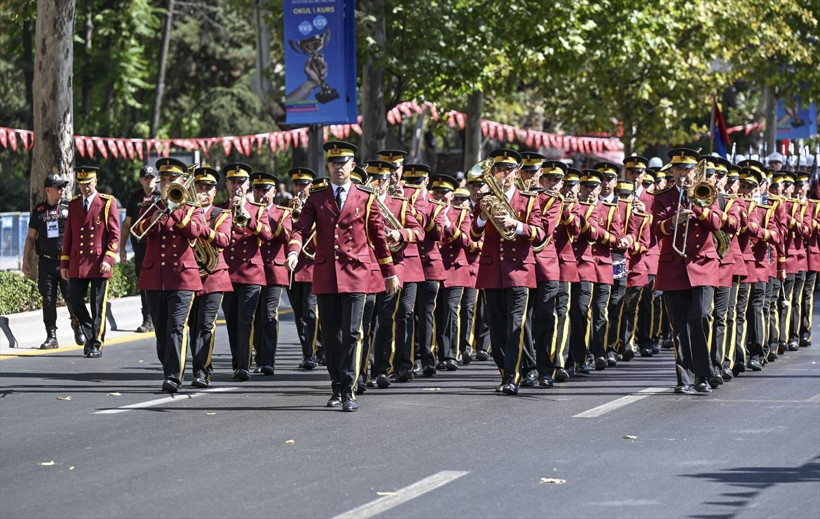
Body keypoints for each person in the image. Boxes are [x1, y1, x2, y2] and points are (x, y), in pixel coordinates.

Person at [286, 141, 400, 412]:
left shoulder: (366, 196)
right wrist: (293, 251)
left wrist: (389, 273)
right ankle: (336, 386)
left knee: (351, 333)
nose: (339, 167)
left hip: (356, 273)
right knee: (332, 336)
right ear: (328, 166)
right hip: (326, 274)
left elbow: (379, 238)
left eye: (344, 163)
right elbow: (301, 229)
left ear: (352, 166)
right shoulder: (317, 197)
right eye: (334, 163)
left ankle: (349, 388)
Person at [653, 148, 727, 393]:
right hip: (674, 265)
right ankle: (685, 377)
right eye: (679, 169)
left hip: (703, 264)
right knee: (680, 324)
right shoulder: (662, 196)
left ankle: (703, 375)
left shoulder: (707, 192)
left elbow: (717, 223)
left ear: (696, 170)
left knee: (700, 317)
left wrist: (696, 206)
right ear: (672, 171)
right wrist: (673, 221)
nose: (683, 174)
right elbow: (655, 229)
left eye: (688, 169)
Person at [470, 148, 544, 395]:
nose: (503, 175)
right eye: (498, 170)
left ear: (516, 173)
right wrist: (481, 215)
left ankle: (513, 376)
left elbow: (540, 233)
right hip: (493, 271)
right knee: (498, 328)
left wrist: (517, 225)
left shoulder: (529, 200)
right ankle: (505, 371)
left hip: (520, 270)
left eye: (508, 170)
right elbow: (474, 233)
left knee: (516, 325)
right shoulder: (486, 198)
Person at [134, 158, 208, 393]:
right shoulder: (151, 206)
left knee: (177, 327)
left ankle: (174, 377)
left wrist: (175, 211)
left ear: (182, 182)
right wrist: (159, 209)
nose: (166, 183)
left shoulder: (192, 209)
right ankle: (169, 369)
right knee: (161, 330)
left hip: (182, 279)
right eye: (163, 179)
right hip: (155, 278)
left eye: (171, 179)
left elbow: (196, 232)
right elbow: (138, 231)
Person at [217, 163, 273, 381]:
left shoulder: (257, 210)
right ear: (227, 185)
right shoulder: (219, 209)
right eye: (233, 182)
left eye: (241, 183)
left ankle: (244, 365)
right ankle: (237, 361)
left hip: (251, 273)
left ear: (248, 184)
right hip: (226, 273)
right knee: (231, 320)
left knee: (246, 319)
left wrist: (247, 217)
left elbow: (268, 235)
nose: (237, 187)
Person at [60, 165, 121, 358]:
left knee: (97, 305)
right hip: (78, 262)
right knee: (75, 299)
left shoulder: (107, 202)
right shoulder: (73, 204)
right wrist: (64, 263)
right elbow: (68, 236)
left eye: (88, 183)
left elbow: (115, 235)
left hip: (98, 262)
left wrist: (109, 258)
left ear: (96, 182)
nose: (85, 187)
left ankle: (96, 343)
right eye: (82, 184)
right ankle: (89, 335)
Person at [23, 174, 84, 349]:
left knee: (72, 297)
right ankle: (51, 335)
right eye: (58, 187)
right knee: (48, 299)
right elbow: (30, 237)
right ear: (48, 190)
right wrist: (25, 259)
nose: (62, 190)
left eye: (63, 187)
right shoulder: (39, 211)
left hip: (66, 262)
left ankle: (77, 325)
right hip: (46, 262)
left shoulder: (69, 207)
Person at [188, 166, 233, 388]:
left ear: (215, 192)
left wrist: (200, 228)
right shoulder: (184, 212)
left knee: (206, 325)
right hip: (189, 276)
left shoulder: (221, 214)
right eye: (199, 188)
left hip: (214, 276)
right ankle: (198, 367)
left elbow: (224, 240)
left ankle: (202, 371)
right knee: (192, 326)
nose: (203, 192)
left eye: (208, 189)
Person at [251, 172, 292, 376]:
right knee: (253, 315)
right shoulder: (247, 211)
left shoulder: (283, 212)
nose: (261, 194)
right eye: (257, 189)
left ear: (274, 192)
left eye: (265, 190)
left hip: (273, 271)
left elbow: (286, 235)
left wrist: (262, 215)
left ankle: (267, 360)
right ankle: (256, 355)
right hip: (250, 270)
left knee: (268, 314)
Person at [285, 167, 321, 369]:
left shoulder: (316, 206)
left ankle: (312, 352)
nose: (300, 189)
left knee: (310, 312)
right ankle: (307, 350)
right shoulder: (286, 209)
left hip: (312, 267)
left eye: (304, 185)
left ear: (311, 187)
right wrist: (290, 215)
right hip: (293, 268)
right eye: (297, 185)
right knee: (299, 313)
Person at [121, 164, 161, 333]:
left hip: (158, 248)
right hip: (140, 247)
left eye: (152, 177)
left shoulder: (162, 197)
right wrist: (122, 248)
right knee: (143, 283)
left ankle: (158, 316)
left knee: (158, 283)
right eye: (146, 177)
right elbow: (127, 223)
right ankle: (147, 319)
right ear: (141, 180)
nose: (149, 180)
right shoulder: (135, 197)